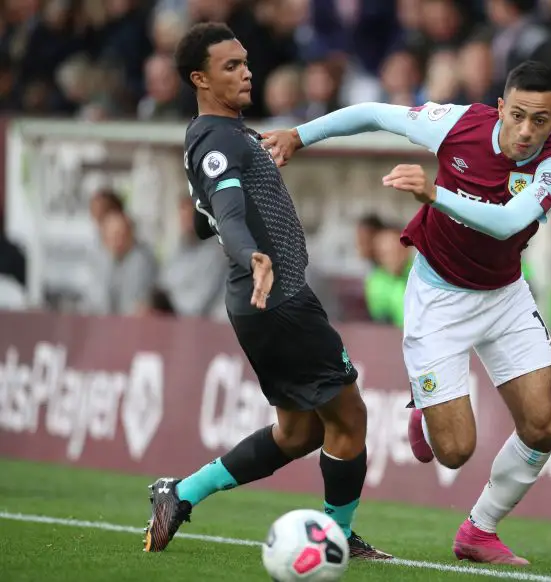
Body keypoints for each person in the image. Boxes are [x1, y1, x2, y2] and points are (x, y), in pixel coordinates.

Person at [263, 61, 551, 566]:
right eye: (518, 115)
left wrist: (435, 194)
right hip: (439, 299)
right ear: (500, 107)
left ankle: (479, 530)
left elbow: (508, 223)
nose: (526, 131)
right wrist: (299, 136)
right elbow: (375, 113)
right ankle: (424, 405)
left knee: (543, 426)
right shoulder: (458, 124)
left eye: (540, 120)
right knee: (454, 451)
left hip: (505, 295)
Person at [143, 23, 390, 560]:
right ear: (199, 79)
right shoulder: (218, 139)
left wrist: (234, 206)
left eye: (245, 62)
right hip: (277, 299)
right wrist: (251, 253)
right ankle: (337, 537)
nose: (246, 73)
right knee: (349, 417)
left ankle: (180, 494)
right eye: (230, 66)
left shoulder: (219, 134)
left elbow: (209, 215)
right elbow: (228, 212)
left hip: (262, 301)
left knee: (299, 434)